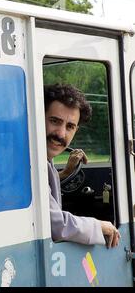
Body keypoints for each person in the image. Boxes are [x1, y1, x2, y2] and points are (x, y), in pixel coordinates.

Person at [44, 84, 120, 248]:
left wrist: (64, 173)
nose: (61, 134)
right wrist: (99, 226)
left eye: (70, 126)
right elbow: (55, 225)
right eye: (54, 121)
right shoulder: (27, 163)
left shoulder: (45, 161)